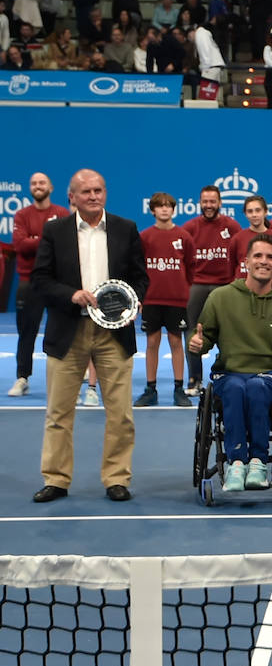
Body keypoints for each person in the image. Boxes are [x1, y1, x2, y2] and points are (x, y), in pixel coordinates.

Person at [31, 169, 149, 503]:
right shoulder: (54, 231)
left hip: (115, 332)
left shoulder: (126, 229)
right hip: (69, 329)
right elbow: (41, 279)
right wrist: (71, 294)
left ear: (106, 193)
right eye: (86, 192)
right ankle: (56, 479)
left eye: (99, 190)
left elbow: (140, 277)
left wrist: (133, 301)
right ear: (72, 197)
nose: (93, 196)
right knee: (58, 412)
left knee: (121, 412)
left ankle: (116, 478)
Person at [187, 234, 272, 492]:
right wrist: (196, 345)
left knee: (257, 387)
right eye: (258, 256)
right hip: (229, 373)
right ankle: (237, 463)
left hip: (270, 376)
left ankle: (259, 461)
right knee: (238, 387)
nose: (263, 261)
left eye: (270, 257)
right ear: (246, 261)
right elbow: (204, 338)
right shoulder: (221, 297)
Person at [9, 173, 67, 398]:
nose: (37, 186)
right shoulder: (22, 215)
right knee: (27, 333)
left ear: (50, 187)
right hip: (29, 282)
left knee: (60, 332)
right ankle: (22, 377)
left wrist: (36, 239)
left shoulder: (61, 213)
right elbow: (20, 246)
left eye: (42, 182)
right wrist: (47, 240)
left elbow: (63, 246)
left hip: (57, 283)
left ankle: (61, 380)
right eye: (34, 183)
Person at [134, 192, 195, 408]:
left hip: (176, 300)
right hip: (152, 299)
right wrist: (141, 297)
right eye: (159, 206)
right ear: (152, 210)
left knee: (176, 342)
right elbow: (139, 268)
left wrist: (182, 290)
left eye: (168, 206)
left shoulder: (184, 237)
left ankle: (179, 389)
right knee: (151, 342)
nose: (164, 209)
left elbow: (190, 268)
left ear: (173, 209)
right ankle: (151, 389)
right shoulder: (145, 237)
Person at [181, 184, 241, 397]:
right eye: (205, 201)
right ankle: (194, 378)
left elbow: (240, 256)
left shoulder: (232, 226)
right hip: (197, 286)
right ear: (200, 202)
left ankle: (228, 375)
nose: (208, 205)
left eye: (212, 202)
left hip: (224, 286)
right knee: (191, 331)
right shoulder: (189, 227)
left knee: (229, 331)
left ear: (219, 203)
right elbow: (183, 260)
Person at [227, 196, 272, 279]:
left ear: (266, 212)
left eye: (258, 210)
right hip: (242, 289)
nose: (254, 215)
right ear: (245, 214)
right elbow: (231, 268)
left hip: (268, 289)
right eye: (250, 211)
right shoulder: (237, 238)